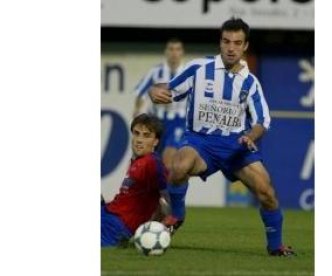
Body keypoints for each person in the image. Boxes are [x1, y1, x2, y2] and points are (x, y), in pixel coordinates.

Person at [149, 18, 295, 256]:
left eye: (237, 43)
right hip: (200, 142)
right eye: (226, 41)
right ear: (220, 42)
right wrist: (153, 90)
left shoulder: (250, 82)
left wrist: (251, 136)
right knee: (178, 166)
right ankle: (177, 214)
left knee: (267, 192)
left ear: (245, 46)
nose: (231, 48)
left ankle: (275, 246)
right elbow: (165, 88)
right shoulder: (199, 68)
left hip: (236, 145)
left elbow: (262, 121)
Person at [133, 38, 188, 230]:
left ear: (182, 52)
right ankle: (158, 207)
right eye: (171, 49)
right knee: (151, 168)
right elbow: (140, 95)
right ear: (166, 52)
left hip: (179, 124)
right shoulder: (156, 72)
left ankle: (170, 211)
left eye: (177, 49)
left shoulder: (189, 72)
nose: (174, 52)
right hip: (157, 124)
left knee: (168, 162)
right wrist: (138, 118)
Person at [101, 114, 171, 247]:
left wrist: (161, 227)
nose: (139, 140)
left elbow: (169, 197)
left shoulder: (152, 163)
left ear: (156, 141)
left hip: (116, 226)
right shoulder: (138, 161)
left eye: (146, 136)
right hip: (108, 213)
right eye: (137, 133)